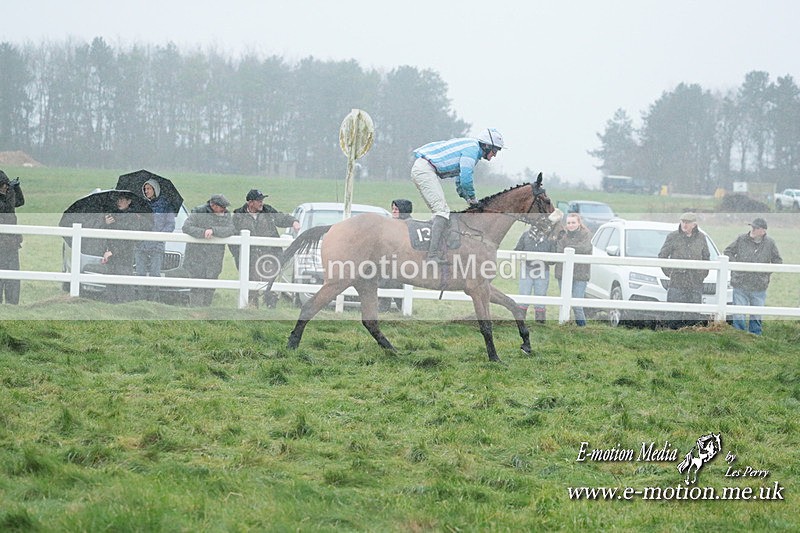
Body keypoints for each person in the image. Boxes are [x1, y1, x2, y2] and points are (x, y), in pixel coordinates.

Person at [411, 128, 504, 263]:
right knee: (442, 212)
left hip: (424, 168)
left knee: (440, 212)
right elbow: (466, 179)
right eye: (495, 151)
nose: (494, 155)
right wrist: (472, 199)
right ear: (487, 146)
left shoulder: (473, 150)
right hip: (425, 169)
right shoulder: (472, 149)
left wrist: (468, 199)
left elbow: (460, 182)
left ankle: (434, 249)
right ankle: (431, 256)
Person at [230, 189, 300, 308]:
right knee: (252, 281)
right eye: (259, 201)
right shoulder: (238, 216)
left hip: (270, 254)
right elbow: (233, 239)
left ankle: (270, 307)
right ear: (250, 203)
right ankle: (252, 307)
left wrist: (293, 222)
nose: (261, 203)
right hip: (250, 256)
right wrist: (239, 255)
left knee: (270, 280)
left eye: (262, 200)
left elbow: (281, 218)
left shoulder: (268, 211)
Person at [85, 191, 148, 303]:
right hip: (111, 255)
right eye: (118, 199)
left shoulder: (132, 217)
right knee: (111, 282)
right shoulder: (111, 215)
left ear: (129, 201)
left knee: (123, 283)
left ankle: (124, 305)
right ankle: (111, 304)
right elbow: (100, 233)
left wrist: (113, 252)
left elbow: (129, 240)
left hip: (124, 256)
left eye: (122, 199)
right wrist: (105, 223)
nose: (119, 202)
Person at [723, 217, 782, 335]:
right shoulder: (741, 239)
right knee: (739, 313)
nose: (753, 230)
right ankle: (738, 336)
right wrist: (737, 265)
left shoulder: (770, 243)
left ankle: (755, 337)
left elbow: (778, 261)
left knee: (756, 313)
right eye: (752, 227)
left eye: (756, 228)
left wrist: (764, 272)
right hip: (740, 283)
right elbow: (727, 251)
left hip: (759, 285)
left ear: (763, 231)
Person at [177, 194, 236, 307]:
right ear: (213, 205)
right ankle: (196, 310)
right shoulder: (198, 211)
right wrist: (202, 233)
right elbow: (187, 227)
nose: (224, 209)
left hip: (215, 257)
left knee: (211, 284)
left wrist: (213, 230)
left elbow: (230, 229)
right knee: (197, 284)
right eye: (221, 207)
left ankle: (206, 310)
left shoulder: (226, 215)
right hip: (196, 256)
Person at [658, 212, 710, 328]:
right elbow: (662, 256)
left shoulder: (701, 238)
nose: (684, 225)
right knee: (673, 313)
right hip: (677, 282)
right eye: (683, 222)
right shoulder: (673, 237)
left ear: (694, 224)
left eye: (688, 223)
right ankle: (671, 335)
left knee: (693, 314)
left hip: (695, 282)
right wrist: (670, 273)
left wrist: (702, 274)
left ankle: (690, 337)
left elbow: (706, 256)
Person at [515, 210, 563, 323]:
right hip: (526, 269)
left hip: (542, 271)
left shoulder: (551, 238)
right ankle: (520, 322)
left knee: (540, 297)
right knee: (523, 296)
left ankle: (540, 324)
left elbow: (552, 260)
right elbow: (517, 250)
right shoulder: (526, 235)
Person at [135, 178, 176, 299]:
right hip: (140, 244)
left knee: (155, 273)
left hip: (157, 245)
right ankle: (141, 299)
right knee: (140, 273)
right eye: (145, 189)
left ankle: (154, 299)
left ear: (155, 189)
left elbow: (170, 225)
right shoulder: (140, 204)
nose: (146, 191)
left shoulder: (165, 205)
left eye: (149, 189)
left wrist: (159, 237)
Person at [554, 212, 592, 326]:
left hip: (580, 274)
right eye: (569, 223)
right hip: (563, 273)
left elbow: (585, 248)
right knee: (564, 302)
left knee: (577, 304)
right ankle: (564, 325)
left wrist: (568, 248)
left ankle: (582, 327)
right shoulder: (563, 234)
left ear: (579, 223)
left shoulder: (587, 234)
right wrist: (570, 248)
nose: (570, 225)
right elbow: (559, 250)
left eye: (573, 222)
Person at [0, 171, 25, 304]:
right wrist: (3, 196)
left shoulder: (8, 193)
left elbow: (20, 202)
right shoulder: (3, 197)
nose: (5, 188)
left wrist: (17, 189)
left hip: (11, 242)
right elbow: (5, 209)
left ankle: (12, 301)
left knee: (13, 274)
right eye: (3, 185)